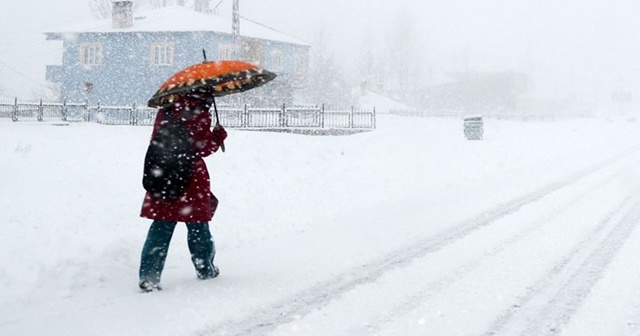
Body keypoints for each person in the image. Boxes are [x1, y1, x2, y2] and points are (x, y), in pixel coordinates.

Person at [138, 95, 227, 292]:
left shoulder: (166, 109)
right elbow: (203, 147)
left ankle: (149, 276)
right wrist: (218, 136)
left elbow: (157, 139)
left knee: (161, 226)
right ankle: (205, 268)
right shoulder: (199, 112)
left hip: (165, 172)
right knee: (198, 226)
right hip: (190, 176)